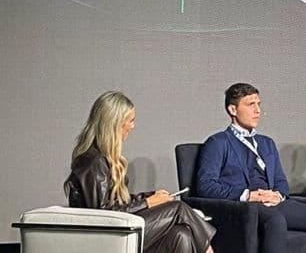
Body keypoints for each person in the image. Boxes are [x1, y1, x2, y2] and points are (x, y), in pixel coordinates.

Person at [195, 83, 306, 253]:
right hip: (243, 207)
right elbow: (205, 185)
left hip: (271, 202)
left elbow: (281, 182)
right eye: (250, 105)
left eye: (258, 104)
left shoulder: (266, 143)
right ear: (233, 110)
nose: (257, 111)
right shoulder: (218, 143)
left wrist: (277, 195)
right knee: (276, 220)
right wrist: (248, 195)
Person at [64, 91, 215, 253]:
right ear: (115, 123)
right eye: (130, 121)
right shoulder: (92, 161)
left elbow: (118, 204)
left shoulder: (102, 158)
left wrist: (149, 197)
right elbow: (104, 215)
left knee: (181, 235)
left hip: (117, 231)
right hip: (105, 238)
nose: (133, 126)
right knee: (178, 208)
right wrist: (149, 203)